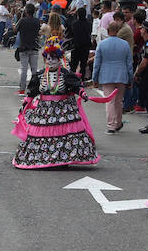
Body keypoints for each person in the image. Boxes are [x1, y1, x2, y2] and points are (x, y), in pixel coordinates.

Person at [13, 39, 117, 168]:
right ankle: (45, 158)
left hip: (63, 109)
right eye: (48, 58)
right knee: (43, 135)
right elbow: (32, 92)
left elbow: (75, 86)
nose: (50, 61)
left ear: (59, 59)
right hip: (44, 111)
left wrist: (82, 93)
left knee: (64, 134)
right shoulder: (39, 75)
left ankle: (63, 159)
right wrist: (25, 104)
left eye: (53, 58)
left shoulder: (66, 74)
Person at [92, 21, 133, 134]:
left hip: (106, 75)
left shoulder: (102, 44)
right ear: (118, 31)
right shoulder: (124, 44)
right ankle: (118, 123)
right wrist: (130, 78)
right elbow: (129, 63)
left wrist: (94, 78)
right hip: (121, 75)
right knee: (119, 101)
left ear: (108, 30)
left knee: (109, 101)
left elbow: (97, 63)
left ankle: (111, 125)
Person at [14, 4, 43, 93]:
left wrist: (21, 18)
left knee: (24, 69)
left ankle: (22, 89)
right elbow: (39, 31)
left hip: (24, 48)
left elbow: (15, 30)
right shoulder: (37, 21)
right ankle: (34, 88)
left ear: (26, 12)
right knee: (34, 69)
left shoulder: (22, 21)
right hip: (34, 47)